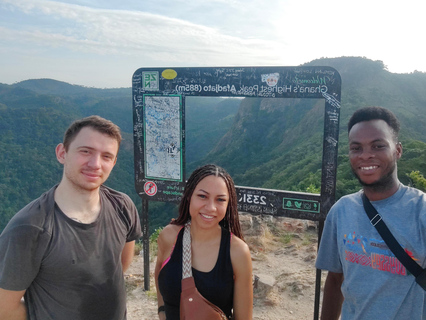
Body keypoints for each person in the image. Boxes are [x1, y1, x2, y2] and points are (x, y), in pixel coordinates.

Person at [316, 106, 426, 319]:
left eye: (378, 145)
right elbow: (336, 280)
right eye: (356, 148)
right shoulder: (342, 211)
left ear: (398, 150)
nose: (366, 155)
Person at [0, 115, 142, 320]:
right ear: (62, 153)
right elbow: (5, 309)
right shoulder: (29, 228)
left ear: (114, 162)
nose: (95, 164)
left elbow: (118, 267)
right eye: (86, 151)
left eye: (106, 156)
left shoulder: (123, 206)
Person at [155, 164, 253, 320]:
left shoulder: (237, 252)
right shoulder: (169, 237)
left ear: (228, 205)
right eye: (202, 196)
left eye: (220, 200)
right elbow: (160, 271)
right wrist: (162, 311)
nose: (211, 208)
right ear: (189, 196)